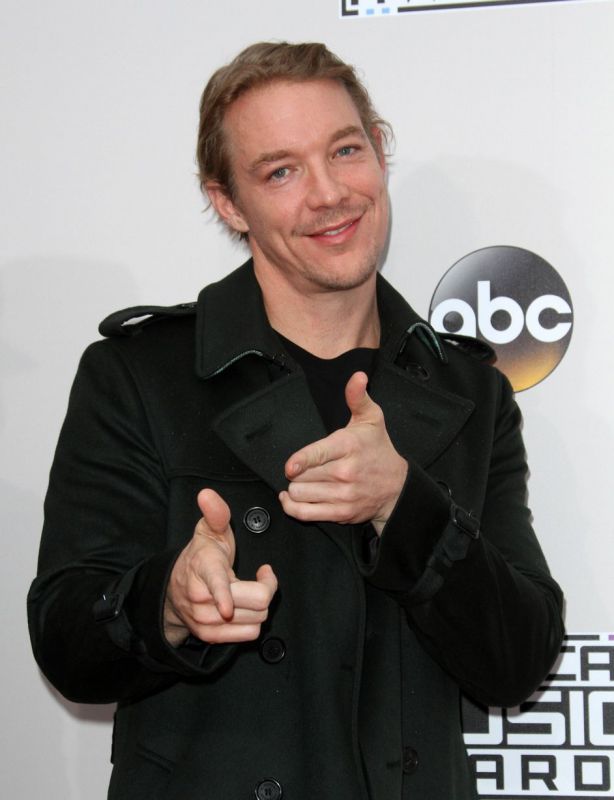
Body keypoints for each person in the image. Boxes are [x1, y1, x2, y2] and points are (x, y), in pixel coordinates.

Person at [28, 41, 564, 800]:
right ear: (228, 202)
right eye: (280, 171)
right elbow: (66, 642)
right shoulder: (141, 376)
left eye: (345, 150)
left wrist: (402, 504)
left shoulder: (469, 392)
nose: (328, 194)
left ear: (379, 151)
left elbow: (519, 660)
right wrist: (169, 602)